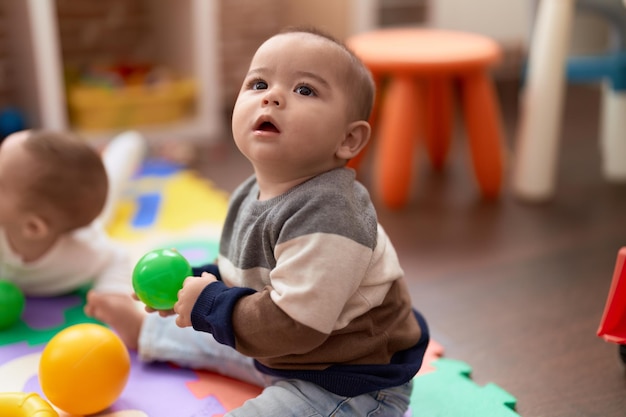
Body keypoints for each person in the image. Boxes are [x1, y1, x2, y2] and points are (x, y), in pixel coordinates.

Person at [88, 27, 429, 417]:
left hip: (348, 382)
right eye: (259, 83)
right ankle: (149, 331)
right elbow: (246, 277)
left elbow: (293, 324)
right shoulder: (253, 191)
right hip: (282, 353)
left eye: (305, 90)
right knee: (217, 325)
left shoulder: (333, 216)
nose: (272, 96)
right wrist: (192, 286)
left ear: (349, 140)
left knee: (223, 321)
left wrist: (208, 303)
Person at [0, 129, 135, 310]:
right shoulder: (11, 218)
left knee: (109, 186)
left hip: (92, 226)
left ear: (32, 227)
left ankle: (127, 145)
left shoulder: (84, 254)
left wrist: (112, 295)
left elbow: (117, 257)